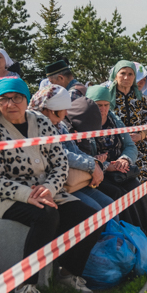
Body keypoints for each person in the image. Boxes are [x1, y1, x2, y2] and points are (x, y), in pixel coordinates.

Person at [0, 78, 103, 293]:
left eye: (17, 98)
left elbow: (60, 163)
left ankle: (68, 273)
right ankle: (26, 286)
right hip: (9, 196)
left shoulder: (42, 122)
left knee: (91, 217)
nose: (11, 103)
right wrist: (27, 194)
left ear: (26, 99)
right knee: (46, 216)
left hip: (49, 191)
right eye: (4, 99)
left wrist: (50, 188)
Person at [85, 84, 147, 253]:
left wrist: (124, 159)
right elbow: (84, 155)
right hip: (98, 174)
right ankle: (136, 242)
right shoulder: (84, 123)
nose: (103, 109)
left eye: (106, 104)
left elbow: (130, 145)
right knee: (119, 194)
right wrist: (106, 166)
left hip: (119, 169)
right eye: (98, 105)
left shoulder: (113, 119)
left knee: (138, 189)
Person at [28, 85, 116, 215]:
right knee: (96, 213)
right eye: (64, 109)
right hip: (52, 185)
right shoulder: (34, 126)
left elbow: (74, 150)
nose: (66, 114)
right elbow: (61, 153)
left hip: (72, 181)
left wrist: (95, 164)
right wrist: (92, 165)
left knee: (110, 206)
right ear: (51, 109)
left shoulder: (59, 125)